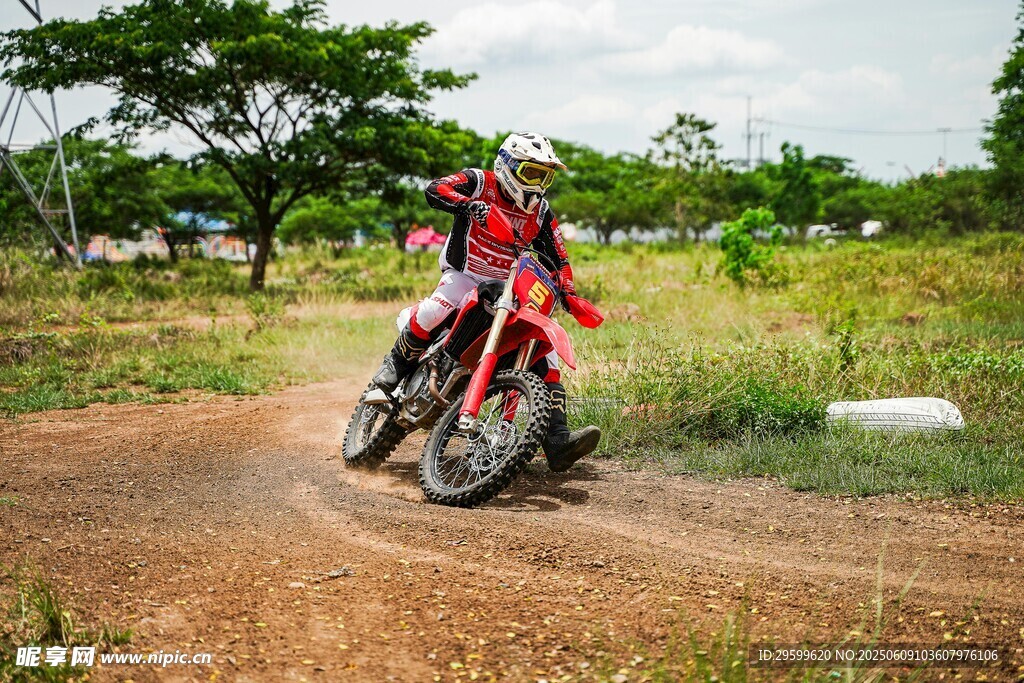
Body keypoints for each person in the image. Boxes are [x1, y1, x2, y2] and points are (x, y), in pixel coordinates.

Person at [372, 132, 600, 472]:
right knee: (437, 307)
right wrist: (469, 205)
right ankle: (394, 366)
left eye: (545, 176)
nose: (538, 185)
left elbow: (560, 257)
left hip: (510, 287)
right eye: (532, 173)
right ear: (507, 166)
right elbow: (435, 188)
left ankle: (557, 438)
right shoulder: (479, 182)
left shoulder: (541, 212)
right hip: (466, 275)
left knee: (545, 349)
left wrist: (569, 292)